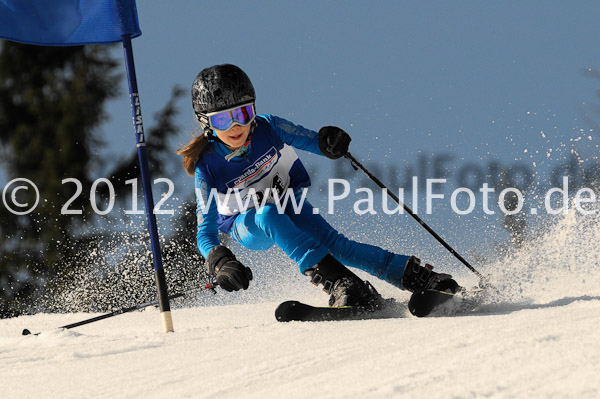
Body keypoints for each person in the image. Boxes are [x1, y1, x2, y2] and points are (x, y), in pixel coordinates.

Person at [177, 64, 459, 308]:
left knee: (338, 246)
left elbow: (313, 141)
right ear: (207, 124)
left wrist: (330, 143)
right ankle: (341, 283)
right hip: (248, 224)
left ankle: (418, 277)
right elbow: (206, 232)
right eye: (223, 119)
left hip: (287, 204)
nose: (235, 125)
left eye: (243, 112)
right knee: (266, 215)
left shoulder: (269, 127)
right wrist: (220, 261)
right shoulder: (207, 166)